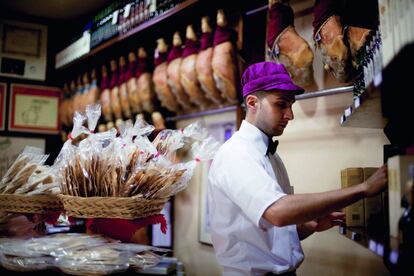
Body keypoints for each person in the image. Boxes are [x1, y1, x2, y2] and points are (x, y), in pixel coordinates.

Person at [207, 61, 388, 276]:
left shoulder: (271, 156)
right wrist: (363, 188)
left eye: (290, 105)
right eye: (281, 104)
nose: (290, 115)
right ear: (253, 102)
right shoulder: (235, 154)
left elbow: (267, 232)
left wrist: (307, 226)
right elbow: (277, 212)